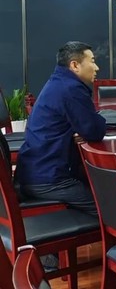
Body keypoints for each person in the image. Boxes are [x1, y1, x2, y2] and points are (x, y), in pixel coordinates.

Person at [14, 41, 106, 214]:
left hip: (32, 171)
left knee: (96, 186)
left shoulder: (59, 82)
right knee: (113, 209)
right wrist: (93, 124)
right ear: (75, 65)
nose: (97, 68)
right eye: (92, 61)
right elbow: (94, 131)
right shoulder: (71, 89)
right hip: (48, 179)